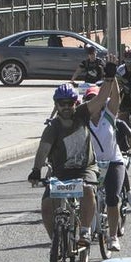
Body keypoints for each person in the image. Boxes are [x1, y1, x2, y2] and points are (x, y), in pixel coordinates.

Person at [29, 84, 99, 249]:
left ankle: (84, 231)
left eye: (70, 103)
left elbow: (101, 99)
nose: (66, 107)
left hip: (85, 169)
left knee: (87, 189)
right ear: (56, 105)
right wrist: (36, 170)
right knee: (46, 206)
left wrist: (110, 78)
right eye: (62, 103)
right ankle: (57, 242)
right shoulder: (53, 127)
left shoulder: (82, 114)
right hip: (60, 173)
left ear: (76, 102)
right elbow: (43, 150)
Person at [82, 74, 126, 251]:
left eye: (96, 99)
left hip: (113, 162)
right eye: (89, 100)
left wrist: (111, 76)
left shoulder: (109, 114)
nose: (94, 103)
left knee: (112, 198)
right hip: (91, 165)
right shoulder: (82, 120)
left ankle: (113, 236)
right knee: (83, 194)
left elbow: (115, 97)